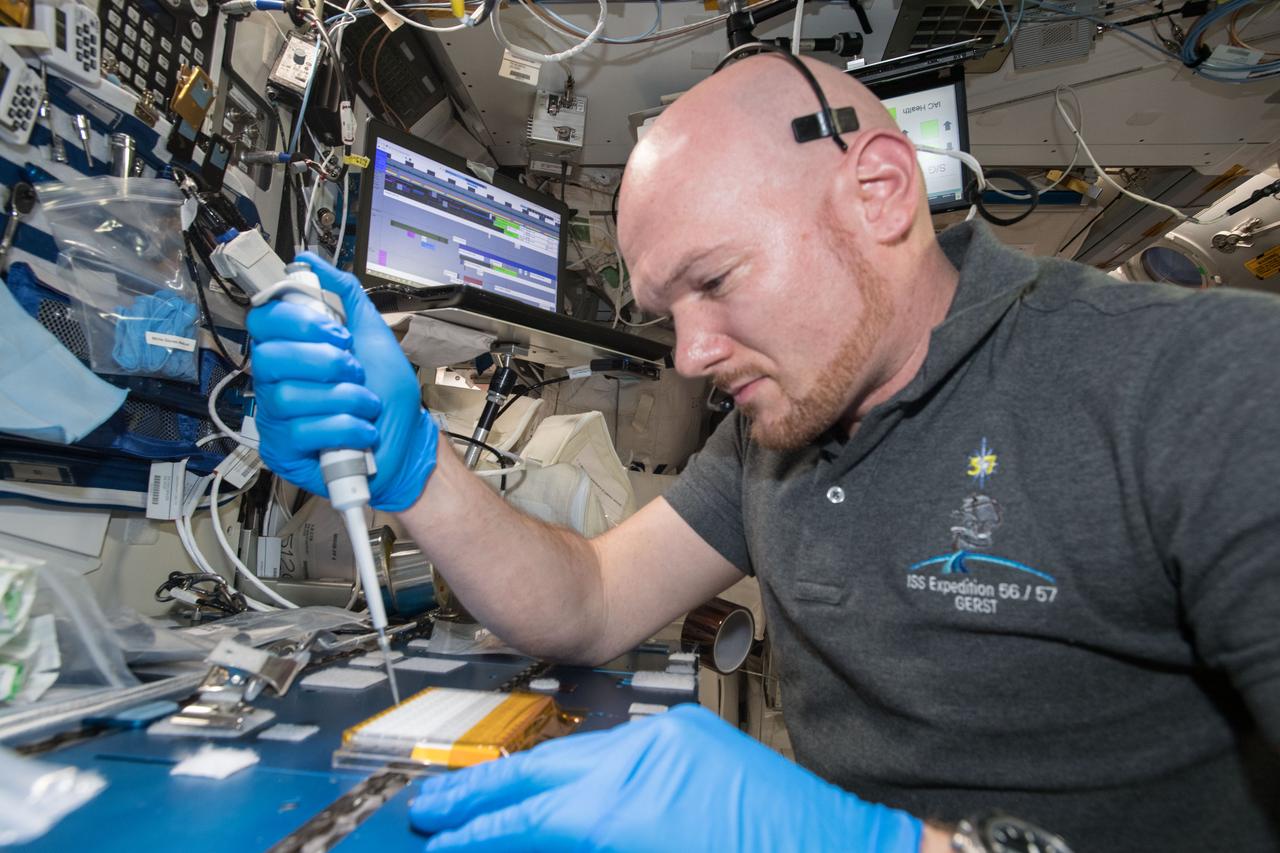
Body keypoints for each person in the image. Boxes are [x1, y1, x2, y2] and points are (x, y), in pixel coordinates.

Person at [246, 55, 1280, 852]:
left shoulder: (1207, 383)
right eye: (665, 311)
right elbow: (589, 602)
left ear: (877, 195)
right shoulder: (773, 435)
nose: (690, 357)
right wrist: (413, 463)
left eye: (715, 280)